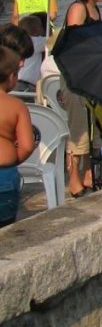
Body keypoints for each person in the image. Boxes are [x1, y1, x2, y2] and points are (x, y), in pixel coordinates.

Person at [62, 0, 102, 196]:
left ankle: (88, 173)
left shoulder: (95, 10)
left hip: (92, 76)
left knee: (93, 127)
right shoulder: (78, 8)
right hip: (76, 77)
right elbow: (73, 42)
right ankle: (74, 178)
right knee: (78, 129)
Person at [0, 46, 34, 227]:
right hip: (4, 174)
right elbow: (27, 146)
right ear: (12, 76)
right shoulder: (16, 105)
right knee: (5, 231)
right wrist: (12, 160)